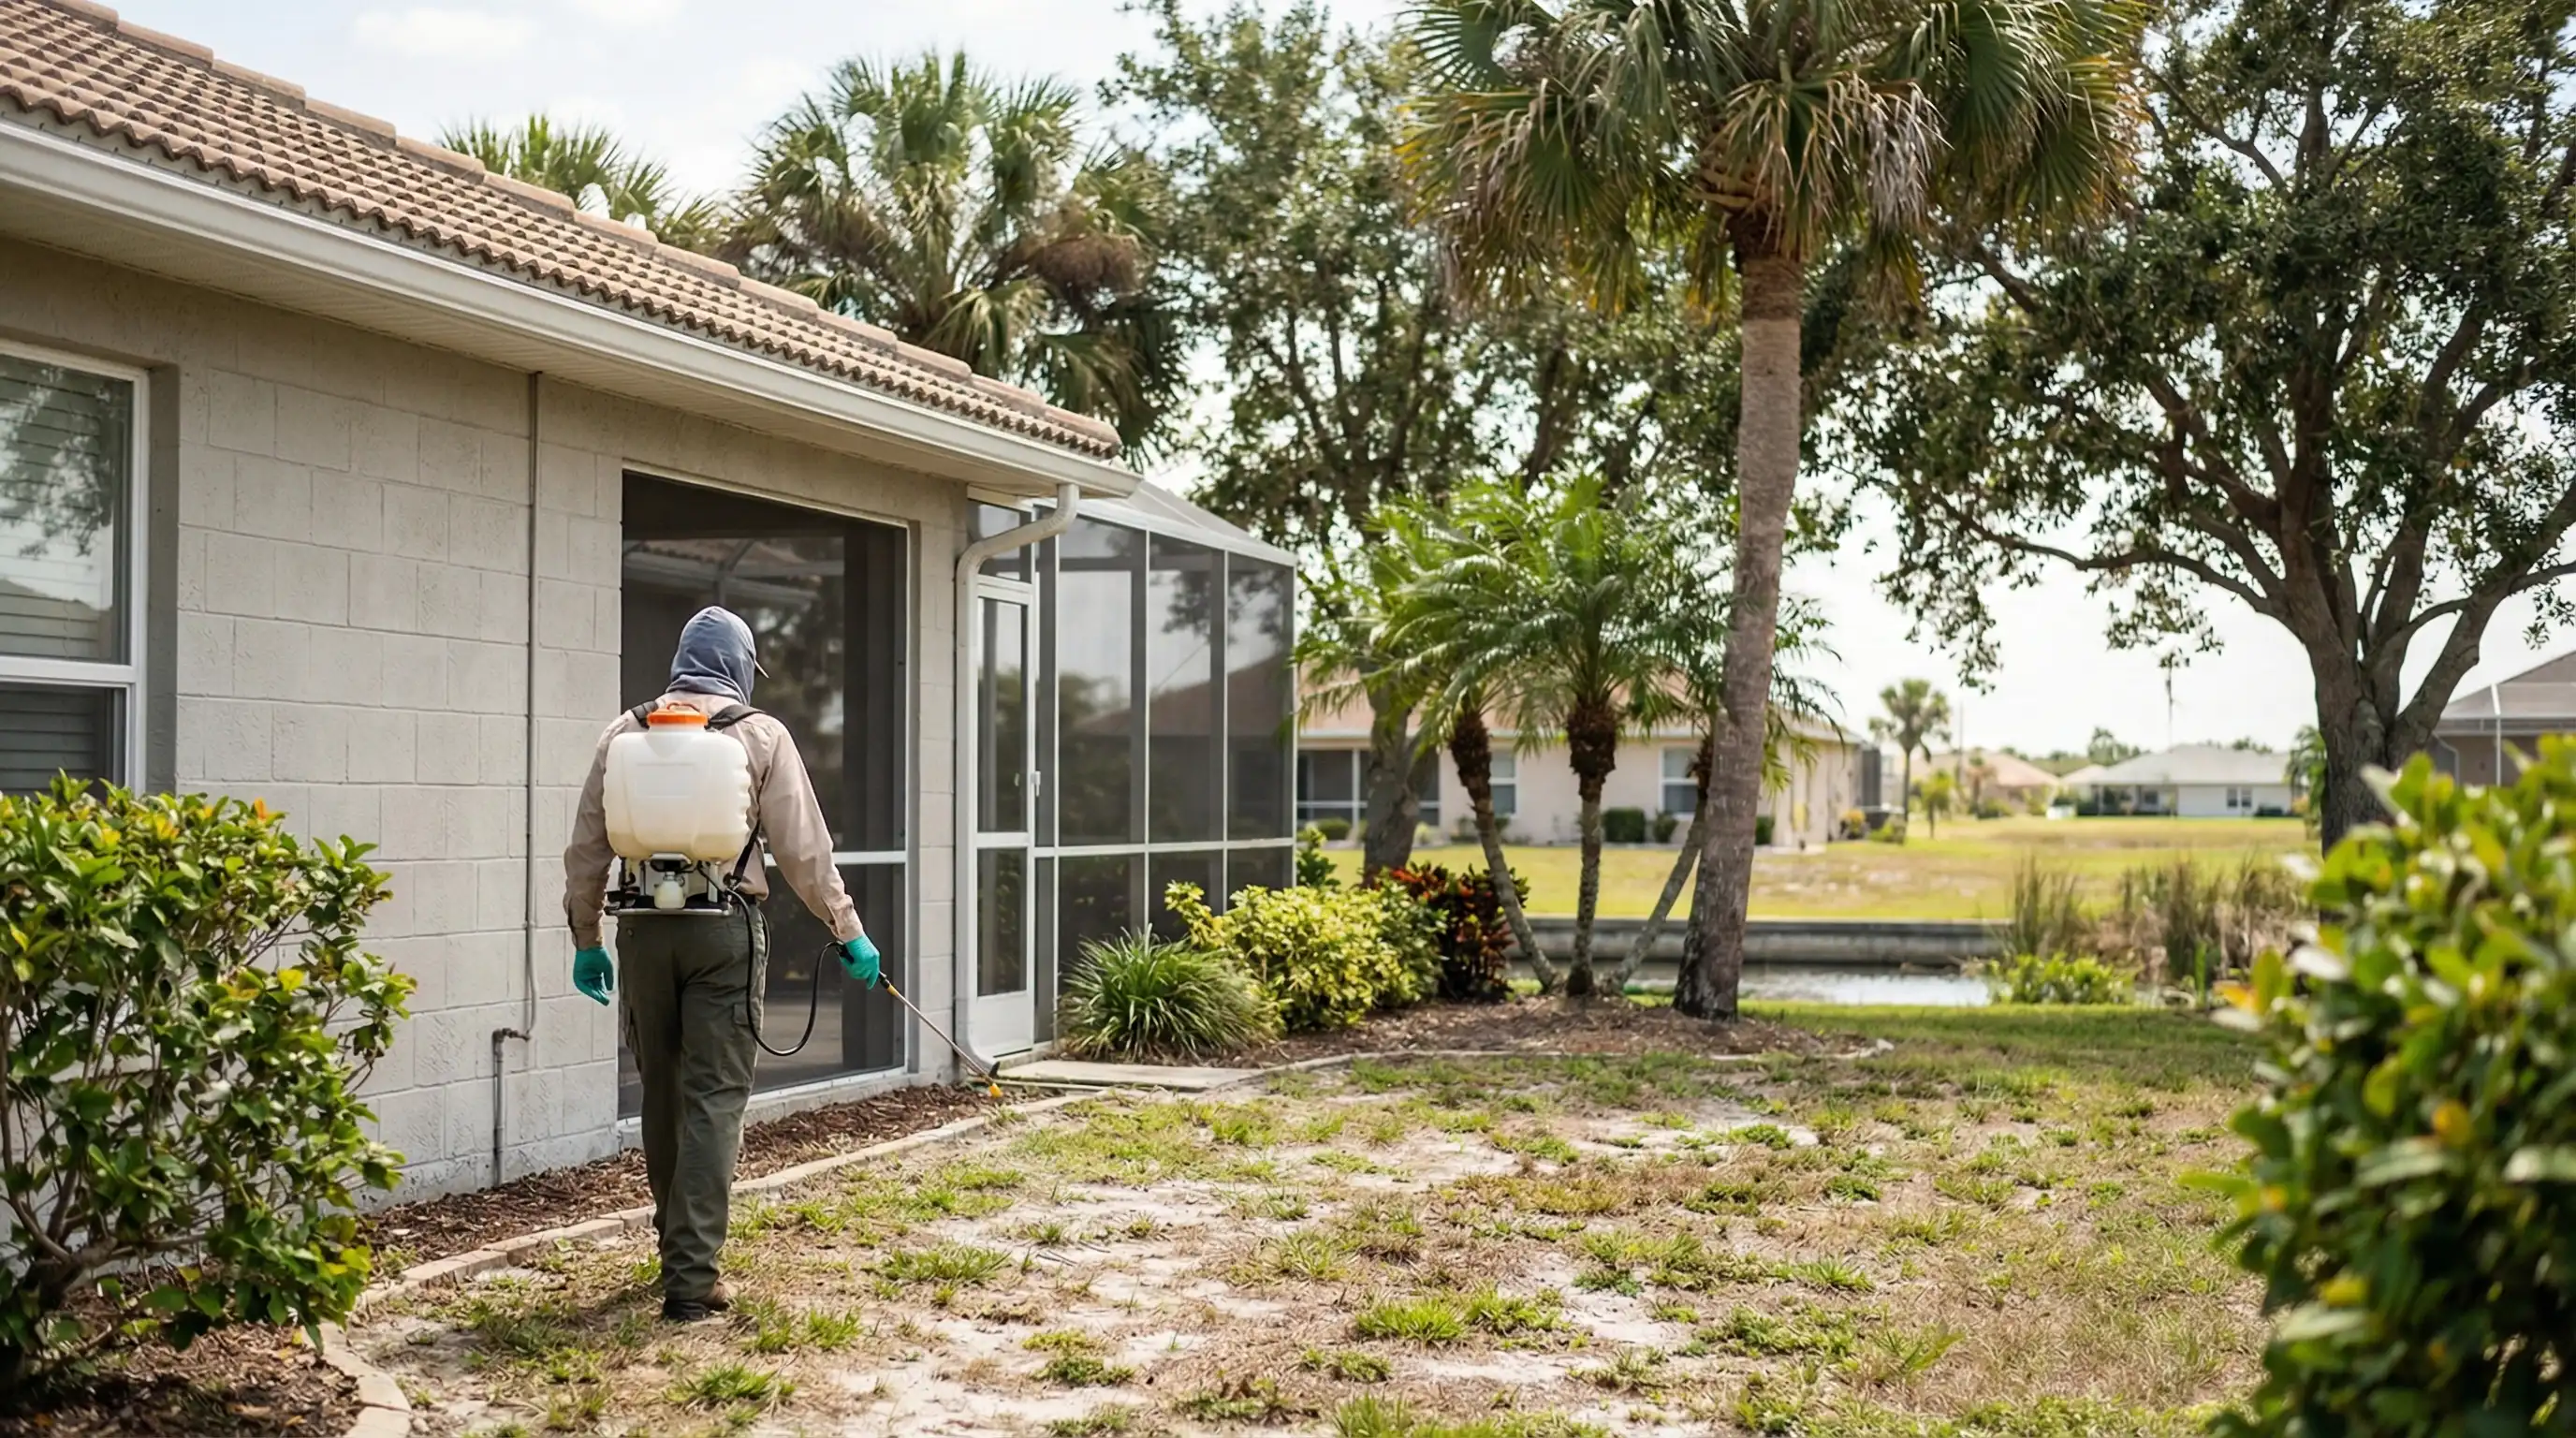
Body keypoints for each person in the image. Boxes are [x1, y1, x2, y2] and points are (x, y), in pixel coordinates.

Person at [563, 606, 883, 1322]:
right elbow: (804, 849)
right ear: (738, 665)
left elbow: (588, 847)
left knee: (663, 1095)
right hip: (725, 932)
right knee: (713, 1100)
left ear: (680, 660)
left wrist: (586, 938)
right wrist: (848, 929)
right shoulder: (759, 733)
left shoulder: (624, 731)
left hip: (641, 931)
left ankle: (674, 1247)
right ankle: (692, 1276)